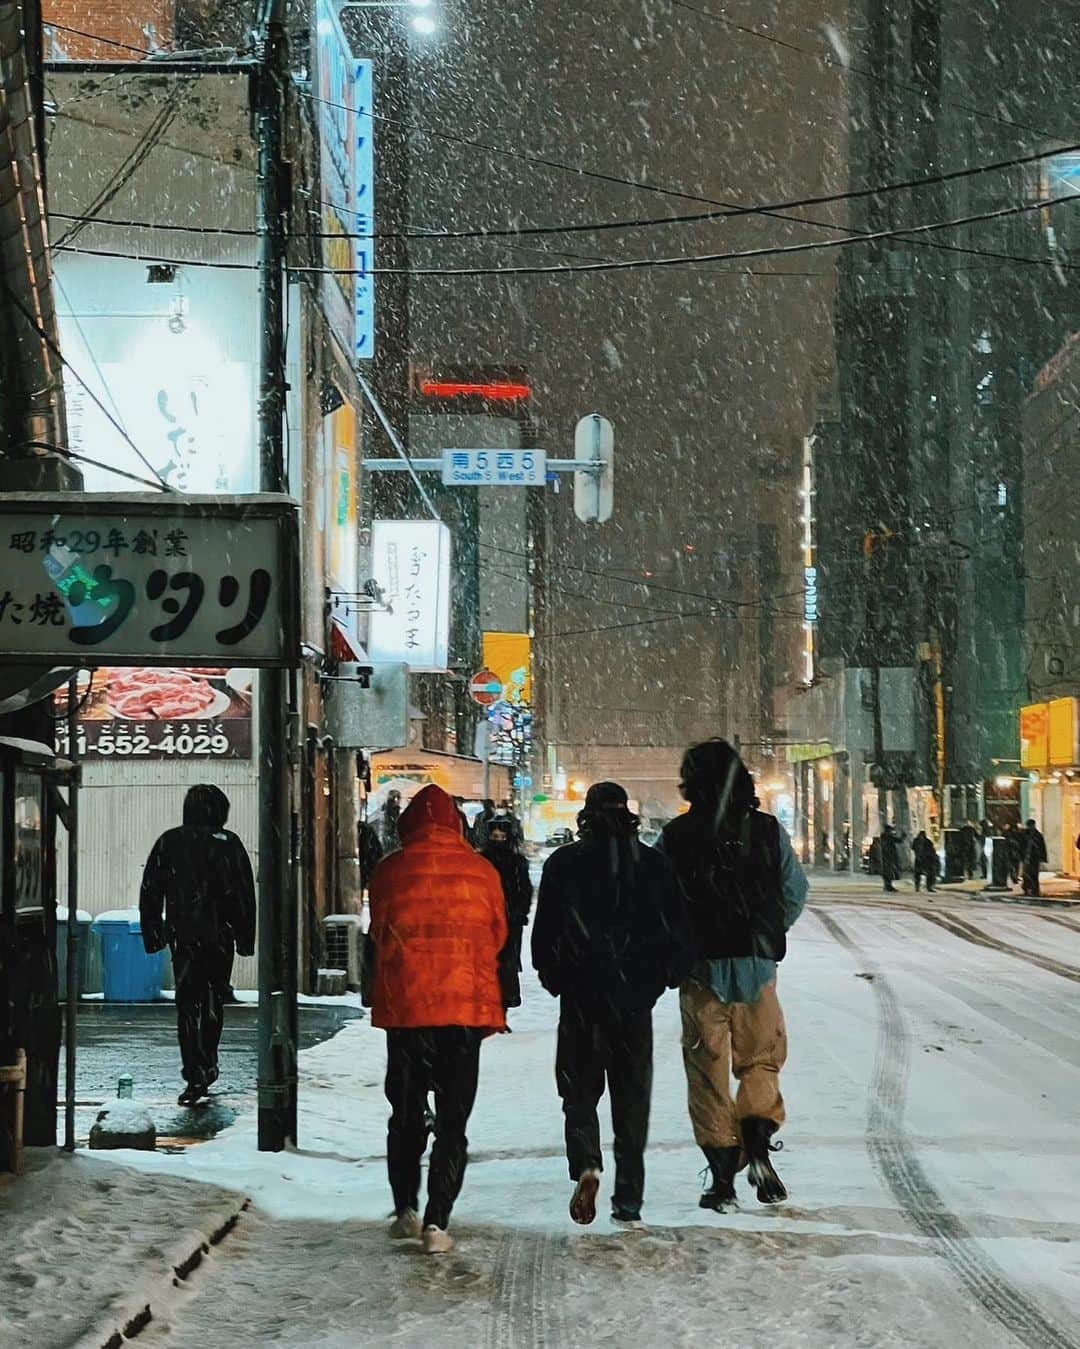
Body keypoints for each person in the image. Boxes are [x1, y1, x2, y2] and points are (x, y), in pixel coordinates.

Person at [533, 782, 693, 1228]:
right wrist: (658, 981)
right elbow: (679, 936)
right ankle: (629, 1200)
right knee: (631, 1102)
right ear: (629, 814)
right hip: (633, 1004)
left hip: (583, 1000)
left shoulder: (565, 864)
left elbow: (544, 937)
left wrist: (559, 978)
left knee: (579, 1092)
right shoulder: (653, 865)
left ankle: (586, 1163)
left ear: (586, 816)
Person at [659, 741, 807, 1212]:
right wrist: (766, 930)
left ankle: (722, 1174)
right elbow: (794, 889)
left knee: (707, 1071)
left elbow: (660, 900)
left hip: (701, 968)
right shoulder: (765, 830)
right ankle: (758, 1140)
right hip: (757, 965)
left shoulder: (677, 836)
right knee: (762, 1058)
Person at [367, 785, 507, 1255]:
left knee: (405, 1114)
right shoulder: (482, 872)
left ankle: (405, 1207)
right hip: (463, 1013)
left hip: (407, 1011)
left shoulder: (390, 871)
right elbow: (499, 934)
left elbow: (379, 933)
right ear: (456, 825)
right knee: (453, 1119)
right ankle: (438, 1221)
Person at [139, 785, 255, 1107]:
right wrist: (244, 937)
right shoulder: (229, 844)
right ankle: (209, 1059)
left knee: (187, 1003)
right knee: (214, 1000)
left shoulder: (170, 842)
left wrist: (154, 933)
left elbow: (151, 890)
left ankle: (194, 1071)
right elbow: (245, 893)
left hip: (183, 936)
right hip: (220, 936)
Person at [481, 820, 534, 1010]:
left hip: (510, 917)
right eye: (495, 837)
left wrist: (520, 910)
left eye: (502, 837)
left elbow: (525, 889)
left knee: (507, 960)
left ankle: (506, 999)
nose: (499, 841)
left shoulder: (516, 861)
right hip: (487, 917)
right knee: (492, 960)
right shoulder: (482, 860)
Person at [1021, 818, 1048, 897]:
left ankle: (1033, 889)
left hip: (1033, 858)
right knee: (1027, 874)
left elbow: (1042, 847)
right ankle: (1028, 889)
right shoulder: (1027, 834)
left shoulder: (1037, 835)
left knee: (1033, 874)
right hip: (1028, 857)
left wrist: (1042, 857)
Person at [880, 823, 901, 893]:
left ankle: (887, 885)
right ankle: (888, 886)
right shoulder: (888, 837)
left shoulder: (883, 837)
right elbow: (899, 840)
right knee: (889, 871)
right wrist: (903, 836)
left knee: (887, 871)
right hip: (889, 856)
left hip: (885, 856)